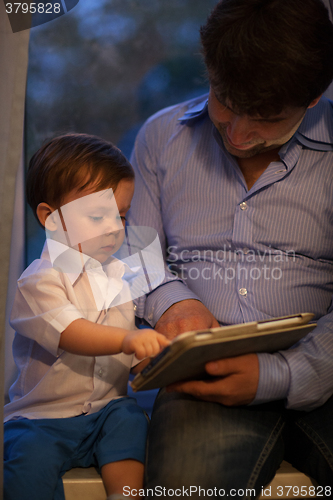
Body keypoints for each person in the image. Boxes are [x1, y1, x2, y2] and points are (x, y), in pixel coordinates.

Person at [128, 0, 333, 496]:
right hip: (203, 378)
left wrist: (278, 374)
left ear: (312, 100)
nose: (239, 135)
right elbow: (134, 256)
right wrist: (175, 303)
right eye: (225, 101)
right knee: (187, 487)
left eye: (265, 117)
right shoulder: (162, 137)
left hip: (324, 362)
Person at [3, 134, 170, 500]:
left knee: (130, 420)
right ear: (50, 218)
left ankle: (125, 494)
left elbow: (127, 353)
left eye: (121, 215)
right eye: (98, 216)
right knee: (26, 459)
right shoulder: (39, 281)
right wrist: (128, 339)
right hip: (43, 418)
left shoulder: (116, 276)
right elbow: (72, 333)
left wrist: (152, 357)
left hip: (106, 411)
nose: (115, 228)